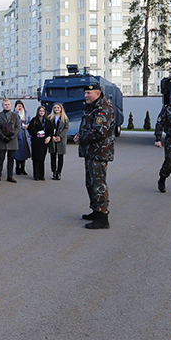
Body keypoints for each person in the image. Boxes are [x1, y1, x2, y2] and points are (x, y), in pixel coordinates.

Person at [73, 82, 115, 230]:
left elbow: (99, 131)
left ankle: (103, 218)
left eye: (89, 93)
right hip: (91, 152)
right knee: (90, 183)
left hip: (99, 152)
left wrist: (81, 138)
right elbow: (89, 127)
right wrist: (80, 134)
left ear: (98, 93)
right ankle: (96, 211)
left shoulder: (103, 109)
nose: (86, 96)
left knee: (98, 184)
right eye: (85, 93)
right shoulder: (92, 108)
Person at [0, 98, 20, 184]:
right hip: (2, 140)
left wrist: (12, 137)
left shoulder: (15, 116)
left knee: (11, 159)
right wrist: (3, 136)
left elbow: (17, 128)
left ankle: (10, 176)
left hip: (12, 141)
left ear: (10, 105)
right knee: (0, 159)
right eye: (5, 105)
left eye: (8, 104)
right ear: (2, 106)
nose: (7, 106)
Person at [48, 103, 70, 180]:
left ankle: (59, 172)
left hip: (61, 139)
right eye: (55, 108)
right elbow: (48, 128)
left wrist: (60, 136)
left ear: (61, 109)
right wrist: (52, 136)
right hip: (53, 139)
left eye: (58, 108)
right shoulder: (50, 118)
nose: (56, 109)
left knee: (60, 157)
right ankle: (54, 172)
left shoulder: (65, 118)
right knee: (53, 156)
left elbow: (66, 128)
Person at [14, 100, 30, 176]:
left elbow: (29, 121)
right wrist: (16, 111)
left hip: (25, 135)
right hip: (18, 135)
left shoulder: (26, 113)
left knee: (24, 151)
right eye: (18, 105)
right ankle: (17, 167)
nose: (20, 106)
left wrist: (27, 125)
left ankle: (23, 168)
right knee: (18, 152)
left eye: (21, 105)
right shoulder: (14, 113)